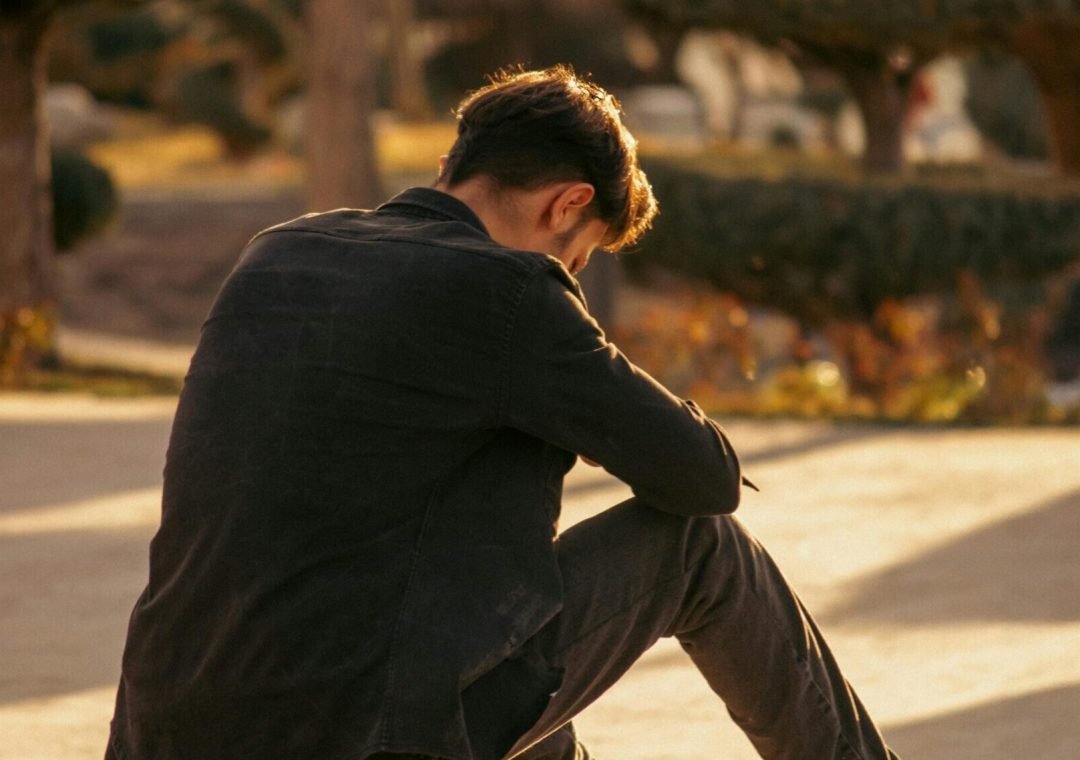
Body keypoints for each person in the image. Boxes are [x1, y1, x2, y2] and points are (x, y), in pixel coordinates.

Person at [106, 66, 899, 760]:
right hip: (363, 730)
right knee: (696, 548)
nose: (570, 276)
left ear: (454, 162)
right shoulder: (509, 291)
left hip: (169, 725)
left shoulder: (277, 251)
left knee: (498, 620)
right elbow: (704, 477)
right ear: (568, 204)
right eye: (578, 259)